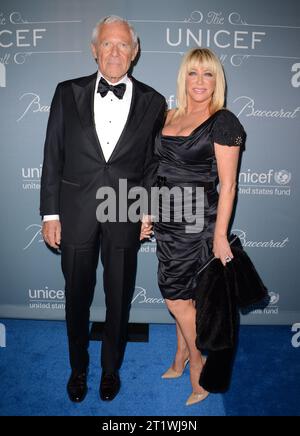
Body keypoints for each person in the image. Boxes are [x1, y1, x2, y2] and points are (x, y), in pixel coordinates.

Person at [40, 15, 165, 403]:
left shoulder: (154, 101)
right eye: (107, 45)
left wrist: (147, 211)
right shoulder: (66, 92)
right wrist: (50, 213)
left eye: (123, 45)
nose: (115, 52)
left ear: (135, 51)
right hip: (75, 211)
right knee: (76, 295)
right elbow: (52, 154)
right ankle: (78, 368)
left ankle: (111, 370)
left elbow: (154, 164)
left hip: (125, 210)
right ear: (94, 50)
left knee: (118, 294)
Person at [154, 48, 246, 406]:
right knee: (183, 297)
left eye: (208, 75)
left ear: (217, 81)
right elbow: (157, 171)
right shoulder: (169, 114)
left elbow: (229, 185)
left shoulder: (222, 121)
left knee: (175, 298)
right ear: (184, 77)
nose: (200, 82)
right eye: (193, 73)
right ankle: (178, 358)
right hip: (165, 220)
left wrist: (220, 234)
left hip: (196, 225)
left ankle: (198, 367)